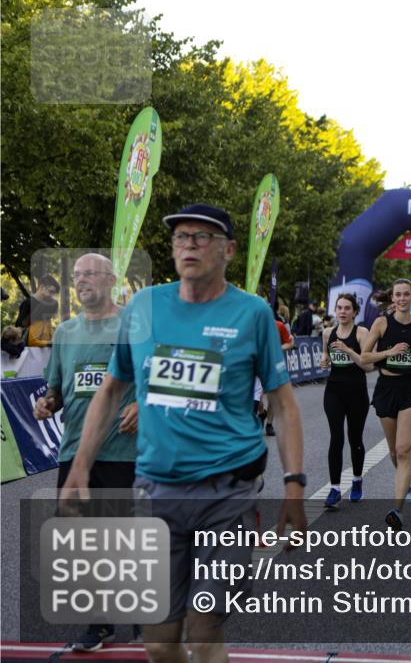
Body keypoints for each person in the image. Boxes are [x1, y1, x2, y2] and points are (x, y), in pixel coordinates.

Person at [60, 204, 307, 663]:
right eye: (181, 237)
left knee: (204, 623)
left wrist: (295, 484)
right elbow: (112, 388)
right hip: (155, 491)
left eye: (202, 237)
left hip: (227, 491)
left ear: (229, 250)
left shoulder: (251, 313)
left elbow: (284, 404)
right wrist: (80, 466)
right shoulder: (146, 306)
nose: (188, 245)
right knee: (158, 640)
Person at [33, 253, 139, 652]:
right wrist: (46, 403)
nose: (80, 282)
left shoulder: (134, 325)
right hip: (75, 451)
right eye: (76, 276)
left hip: (123, 451)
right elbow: (57, 390)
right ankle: (100, 624)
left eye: (89, 274)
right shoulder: (65, 333)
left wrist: (141, 403)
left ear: (110, 279)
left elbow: (155, 376)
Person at [361, 278, 411, 531]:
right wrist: (388, 353)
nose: (403, 299)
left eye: (407, 294)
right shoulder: (381, 323)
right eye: (398, 295)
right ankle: (409, 480)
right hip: (386, 388)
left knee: (403, 450)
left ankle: (397, 510)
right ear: (392, 298)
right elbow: (364, 356)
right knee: (394, 452)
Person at [318, 293, 374, 507]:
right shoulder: (327, 333)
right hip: (333, 391)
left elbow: (369, 366)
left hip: (357, 392)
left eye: (347, 308)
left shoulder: (362, 333)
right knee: (336, 438)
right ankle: (334, 488)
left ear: (354, 312)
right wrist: (324, 360)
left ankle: (357, 480)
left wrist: (349, 351)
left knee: (355, 439)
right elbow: (325, 355)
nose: (342, 311)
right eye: (339, 307)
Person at [263, 308, 296, 436]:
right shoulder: (252, 325)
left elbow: (290, 343)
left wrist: (277, 348)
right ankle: (261, 412)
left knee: (273, 396)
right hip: (257, 365)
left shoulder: (279, 325)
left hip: (275, 365)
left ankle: (269, 424)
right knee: (257, 397)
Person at [16, 274, 60, 347]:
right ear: (42, 287)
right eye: (50, 291)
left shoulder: (48, 305)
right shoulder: (28, 303)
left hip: (43, 347)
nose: (52, 295)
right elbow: (20, 325)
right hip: (28, 347)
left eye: (54, 293)